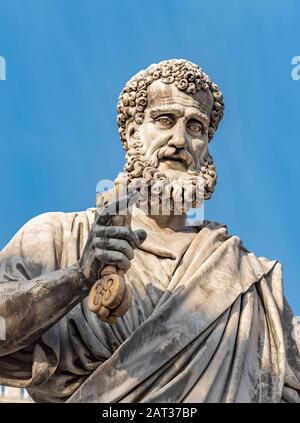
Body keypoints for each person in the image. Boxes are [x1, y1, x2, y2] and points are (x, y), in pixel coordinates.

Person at [0, 59, 299, 403]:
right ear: (132, 134)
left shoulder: (244, 277)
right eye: (165, 120)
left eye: (196, 127)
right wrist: (78, 278)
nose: (180, 140)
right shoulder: (62, 237)